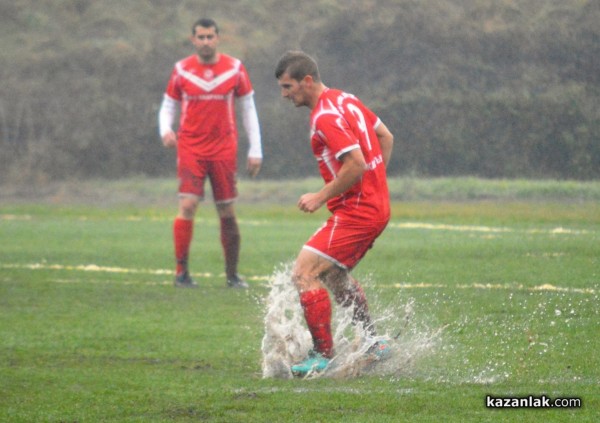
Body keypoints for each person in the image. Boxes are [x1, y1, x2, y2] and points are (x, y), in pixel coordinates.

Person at [274, 51, 395, 376]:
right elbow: (386, 137)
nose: (285, 95)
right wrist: (375, 184)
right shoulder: (347, 99)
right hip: (374, 206)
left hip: (358, 212)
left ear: (307, 81)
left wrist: (320, 196)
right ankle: (373, 341)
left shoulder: (325, 117)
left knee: (304, 272)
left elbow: (355, 162)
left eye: (288, 87)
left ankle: (322, 354)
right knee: (332, 274)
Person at [158, 18, 262, 289]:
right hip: (191, 146)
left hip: (224, 147)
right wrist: (165, 130)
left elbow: (248, 108)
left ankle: (232, 275)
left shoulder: (235, 68)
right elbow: (168, 104)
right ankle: (181, 273)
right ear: (193, 40)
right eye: (200, 37)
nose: (205, 42)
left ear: (218, 38)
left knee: (226, 209)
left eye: (210, 37)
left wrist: (256, 149)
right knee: (188, 204)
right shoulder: (181, 70)